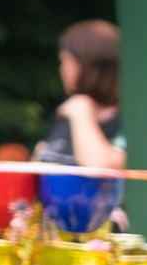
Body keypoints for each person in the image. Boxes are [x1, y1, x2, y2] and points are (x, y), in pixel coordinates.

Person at [39, 19, 127, 172]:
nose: (62, 68)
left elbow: (101, 167)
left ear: (89, 65)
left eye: (66, 60)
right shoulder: (66, 113)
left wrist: (81, 112)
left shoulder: (136, 124)